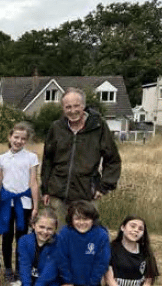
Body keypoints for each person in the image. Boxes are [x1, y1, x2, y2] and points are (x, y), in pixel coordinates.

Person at [41, 87, 121, 226]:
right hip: (58, 194)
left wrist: (103, 186)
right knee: (59, 237)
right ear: (63, 109)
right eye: (68, 107)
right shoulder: (56, 127)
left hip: (86, 194)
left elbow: (112, 159)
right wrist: (46, 189)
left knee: (85, 235)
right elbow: (47, 160)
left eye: (76, 106)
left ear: (83, 105)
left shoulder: (98, 126)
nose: (72, 111)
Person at [0, 122, 39, 281]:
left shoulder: (31, 157)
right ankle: (7, 268)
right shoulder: (1, 158)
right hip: (7, 203)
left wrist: (35, 206)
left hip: (25, 203)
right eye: (16, 137)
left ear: (26, 140)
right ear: (10, 137)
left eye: (22, 138)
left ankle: (21, 268)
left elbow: (34, 182)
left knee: (22, 237)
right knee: (7, 237)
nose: (18, 141)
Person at [102, 215, 158, 286]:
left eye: (140, 229)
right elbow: (109, 280)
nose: (136, 230)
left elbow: (148, 283)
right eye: (132, 226)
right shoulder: (111, 248)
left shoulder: (145, 252)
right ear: (123, 227)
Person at [56, 201, 110, 286]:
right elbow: (61, 259)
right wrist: (67, 282)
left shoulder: (101, 235)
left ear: (93, 219)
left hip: (90, 285)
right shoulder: (65, 233)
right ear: (71, 219)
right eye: (77, 219)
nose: (82, 223)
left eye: (86, 219)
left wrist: (92, 285)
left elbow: (102, 263)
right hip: (69, 283)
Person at [8, 208, 59, 286]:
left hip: (48, 283)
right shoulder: (24, 240)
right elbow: (24, 265)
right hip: (30, 280)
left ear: (55, 229)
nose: (45, 232)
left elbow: (49, 271)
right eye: (41, 227)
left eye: (49, 229)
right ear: (33, 225)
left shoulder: (58, 244)